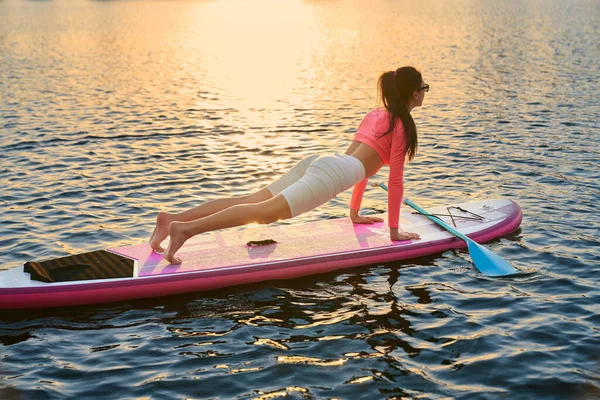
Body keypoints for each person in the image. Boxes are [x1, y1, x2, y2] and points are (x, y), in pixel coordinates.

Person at [150, 66, 429, 264]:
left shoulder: (378, 114)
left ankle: (171, 219)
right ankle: (184, 230)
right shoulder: (402, 125)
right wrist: (394, 231)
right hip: (336, 171)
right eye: (424, 88)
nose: (425, 92)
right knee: (264, 212)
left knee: (250, 200)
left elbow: (360, 165)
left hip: (324, 160)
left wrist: (354, 213)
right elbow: (394, 181)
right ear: (414, 94)